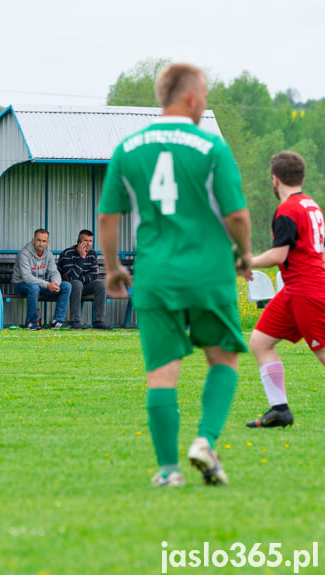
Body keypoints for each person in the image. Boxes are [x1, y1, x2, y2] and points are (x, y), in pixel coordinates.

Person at [98, 63, 253, 487]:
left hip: (156, 274)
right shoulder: (211, 147)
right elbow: (237, 214)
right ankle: (205, 441)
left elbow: (108, 216)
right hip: (209, 271)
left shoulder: (129, 148)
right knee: (223, 358)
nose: (204, 103)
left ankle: (168, 471)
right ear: (190, 98)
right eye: (203, 95)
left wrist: (113, 268)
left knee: (161, 373)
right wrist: (244, 254)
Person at [245, 151, 325, 429]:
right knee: (260, 342)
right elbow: (324, 252)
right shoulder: (311, 206)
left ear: (274, 179)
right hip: (298, 288)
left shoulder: (287, 210)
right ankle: (279, 410)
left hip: (307, 290)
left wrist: (247, 262)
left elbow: (278, 256)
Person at [11, 228, 72, 330]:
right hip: (21, 284)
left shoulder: (48, 254)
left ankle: (57, 321)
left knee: (66, 286)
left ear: (47, 242)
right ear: (33, 240)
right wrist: (47, 285)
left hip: (40, 284)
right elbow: (27, 277)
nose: (41, 244)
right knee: (34, 288)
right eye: (38, 240)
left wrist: (55, 283)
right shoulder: (24, 253)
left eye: (44, 241)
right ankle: (32, 322)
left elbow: (54, 272)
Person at [58, 229, 110, 330]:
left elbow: (94, 275)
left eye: (90, 241)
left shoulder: (92, 254)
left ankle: (98, 321)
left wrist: (81, 279)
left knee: (100, 284)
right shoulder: (67, 253)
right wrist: (82, 258)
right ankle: (75, 321)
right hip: (68, 287)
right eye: (86, 240)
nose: (88, 244)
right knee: (76, 283)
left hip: (83, 285)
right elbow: (71, 277)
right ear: (79, 241)